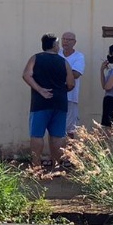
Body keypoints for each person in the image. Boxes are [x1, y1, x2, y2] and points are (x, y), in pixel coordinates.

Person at [22, 33, 75, 169]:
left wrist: (40, 90)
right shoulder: (64, 62)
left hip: (40, 103)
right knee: (57, 136)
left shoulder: (35, 58)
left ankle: (36, 167)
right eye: (58, 44)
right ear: (54, 46)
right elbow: (71, 84)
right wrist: (60, 91)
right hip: (59, 103)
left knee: (37, 135)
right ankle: (57, 166)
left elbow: (26, 75)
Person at [60, 32, 85, 138]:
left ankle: (69, 153)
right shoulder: (57, 54)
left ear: (74, 42)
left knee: (70, 128)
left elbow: (76, 74)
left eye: (68, 39)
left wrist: (58, 72)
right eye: (63, 39)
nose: (65, 41)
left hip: (70, 96)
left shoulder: (79, 56)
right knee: (56, 126)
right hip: (55, 95)